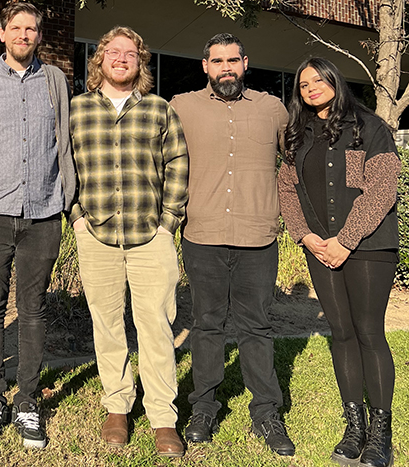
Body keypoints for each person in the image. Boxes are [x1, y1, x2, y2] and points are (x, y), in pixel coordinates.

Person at [170, 33, 295, 456]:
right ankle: (203, 407)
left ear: (246, 63)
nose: (226, 67)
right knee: (207, 325)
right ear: (205, 65)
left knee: (256, 327)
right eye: (217, 61)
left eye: (233, 60)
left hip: (257, 237)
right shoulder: (181, 106)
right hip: (201, 235)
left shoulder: (271, 109)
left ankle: (266, 413)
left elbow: (297, 162)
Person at [70, 26, 188, 458]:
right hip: (96, 233)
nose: (121, 58)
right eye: (113, 52)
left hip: (149, 236)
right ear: (99, 60)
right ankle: (117, 406)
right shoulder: (76, 110)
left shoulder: (159, 109)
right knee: (107, 324)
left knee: (156, 326)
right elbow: (64, 167)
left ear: (140, 63)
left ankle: (162, 417)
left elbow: (177, 163)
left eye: (131, 53)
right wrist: (77, 218)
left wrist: (168, 222)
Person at [0, 2, 74, 450]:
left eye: (32, 29)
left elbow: (63, 139)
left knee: (33, 309)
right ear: (2, 33)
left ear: (39, 36)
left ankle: (27, 401)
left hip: (44, 213)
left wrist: (70, 203)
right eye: (17, 28)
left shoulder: (55, 80)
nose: (24, 35)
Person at [278, 57, 400, 467]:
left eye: (317, 80)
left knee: (368, 332)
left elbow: (382, 189)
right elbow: (288, 192)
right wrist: (307, 237)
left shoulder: (370, 127)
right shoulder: (297, 134)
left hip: (368, 247)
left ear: (334, 80)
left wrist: (346, 240)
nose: (310, 87)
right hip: (320, 247)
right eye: (302, 83)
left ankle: (381, 436)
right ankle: (355, 428)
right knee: (341, 333)